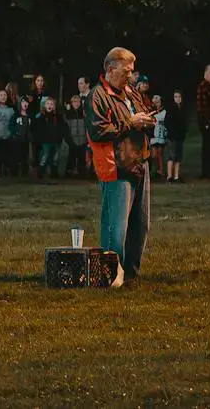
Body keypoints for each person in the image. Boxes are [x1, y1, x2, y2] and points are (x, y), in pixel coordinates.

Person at [87, 46, 157, 288]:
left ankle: (131, 274)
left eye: (132, 71)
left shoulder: (131, 91)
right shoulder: (97, 96)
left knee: (140, 224)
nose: (131, 76)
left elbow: (141, 115)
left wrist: (148, 119)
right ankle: (109, 277)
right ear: (110, 69)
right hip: (116, 167)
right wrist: (131, 122)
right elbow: (97, 131)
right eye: (126, 71)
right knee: (115, 227)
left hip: (139, 162)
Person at [31, 95, 64, 179]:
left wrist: (59, 136)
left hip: (55, 140)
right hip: (45, 141)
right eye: (48, 104)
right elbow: (37, 129)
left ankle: (54, 172)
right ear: (44, 106)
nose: (50, 106)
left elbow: (61, 127)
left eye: (51, 104)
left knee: (55, 157)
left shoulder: (57, 117)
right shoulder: (41, 117)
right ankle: (40, 172)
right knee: (44, 156)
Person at [163, 88, 188, 182]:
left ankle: (176, 176)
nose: (177, 98)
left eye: (179, 96)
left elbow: (185, 122)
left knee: (178, 156)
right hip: (172, 136)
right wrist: (172, 131)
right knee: (171, 155)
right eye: (175, 97)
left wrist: (184, 131)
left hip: (180, 136)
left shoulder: (183, 109)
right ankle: (169, 176)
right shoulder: (171, 109)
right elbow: (167, 122)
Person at [63, 92, 90, 178]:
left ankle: (82, 172)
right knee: (71, 158)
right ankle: (69, 171)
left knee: (82, 158)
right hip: (72, 140)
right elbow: (66, 129)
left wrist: (87, 139)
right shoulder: (68, 114)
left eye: (78, 101)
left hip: (83, 140)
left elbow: (87, 127)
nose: (76, 103)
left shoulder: (84, 114)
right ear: (71, 103)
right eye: (74, 101)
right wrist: (69, 140)